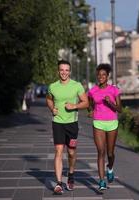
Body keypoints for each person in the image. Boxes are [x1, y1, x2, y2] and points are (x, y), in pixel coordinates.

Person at [46, 60, 89, 195]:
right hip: (57, 123)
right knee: (58, 150)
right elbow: (49, 99)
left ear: (70, 71)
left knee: (71, 152)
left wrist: (74, 106)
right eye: (61, 70)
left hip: (72, 124)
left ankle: (70, 174)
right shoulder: (52, 86)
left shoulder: (77, 86)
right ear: (58, 71)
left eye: (66, 70)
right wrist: (52, 108)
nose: (64, 72)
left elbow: (86, 102)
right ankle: (59, 184)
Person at [88, 63, 122, 191]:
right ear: (97, 76)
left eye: (104, 75)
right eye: (99, 75)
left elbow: (120, 109)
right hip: (98, 123)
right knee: (101, 152)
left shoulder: (114, 90)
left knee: (110, 153)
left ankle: (110, 168)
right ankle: (102, 181)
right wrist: (90, 110)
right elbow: (89, 103)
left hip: (112, 123)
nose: (101, 77)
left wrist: (111, 103)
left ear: (108, 76)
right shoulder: (92, 91)